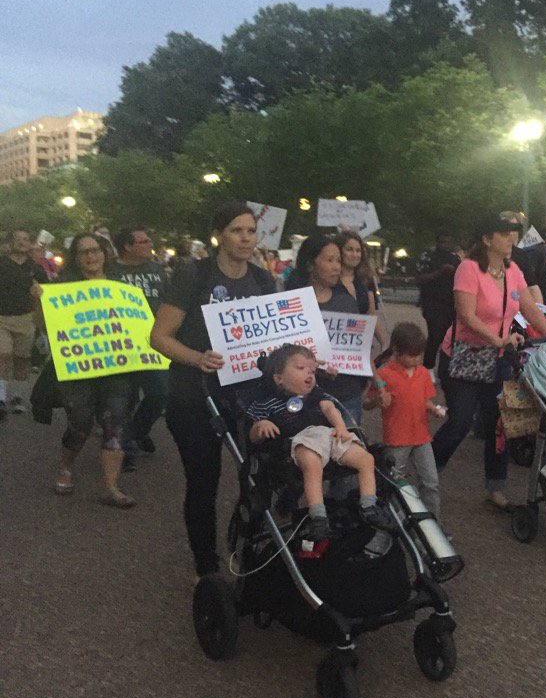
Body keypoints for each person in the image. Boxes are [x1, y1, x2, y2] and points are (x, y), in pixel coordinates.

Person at [151, 201, 278, 578]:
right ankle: (206, 564)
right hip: (195, 396)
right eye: (237, 230)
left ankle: (249, 549)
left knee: (257, 478)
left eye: (251, 231)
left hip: (246, 397)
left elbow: (274, 336)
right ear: (219, 235)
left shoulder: (262, 280)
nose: (245, 238)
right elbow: (159, 337)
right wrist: (197, 358)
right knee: (204, 481)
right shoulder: (195, 274)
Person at [431, 213, 546, 511]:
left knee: (499, 423)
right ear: (487, 239)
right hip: (464, 355)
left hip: (498, 358)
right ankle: (428, 472)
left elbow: (528, 307)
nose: (511, 238)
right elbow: (467, 315)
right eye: (504, 233)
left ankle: (496, 486)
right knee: (461, 421)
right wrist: (498, 339)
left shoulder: (512, 270)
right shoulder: (468, 268)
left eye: (513, 232)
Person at [245, 345, 384, 540]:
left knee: (366, 459)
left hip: (327, 435)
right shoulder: (267, 402)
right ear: (279, 378)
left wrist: (341, 427)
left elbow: (329, 409)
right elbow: (252, 437)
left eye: (312, 370)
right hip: (299, 441)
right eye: (301, 368)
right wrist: (260, 426)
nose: (309, 373)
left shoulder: (316, 394)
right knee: (312, 464)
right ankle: (318, 515)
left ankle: (369, 505)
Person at [52, 233, 135, 508]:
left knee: (114, 422)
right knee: (80, 422)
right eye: (83, 252)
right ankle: (66, 466)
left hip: (116, 367)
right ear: (75, 258)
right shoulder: (63, 288)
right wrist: (38, 301)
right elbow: (45, 325)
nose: (90, 256)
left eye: (95, 250)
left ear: (104, 252)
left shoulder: (120, 286)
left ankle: (111, 486)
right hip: (79, 368)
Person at [286, 233, 379, 424]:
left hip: (347, 395)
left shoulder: (347, 302)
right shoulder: (291, 304)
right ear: (310, 264)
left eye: (338, 260)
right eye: (330, 260)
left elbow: (360, 349)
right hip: (306, 397)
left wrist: (379, 383)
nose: (337, 267)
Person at [364, 322, 445, 519]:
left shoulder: (423, 373)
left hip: (422, 437)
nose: (417, 360)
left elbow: (423, 400)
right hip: (397, 439)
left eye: (419, 355)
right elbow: (367, 403)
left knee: (431, 482)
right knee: (394, 484)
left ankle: (432, 522)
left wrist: (434, 409)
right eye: (412, 355)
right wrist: (377, 399)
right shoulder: (384, 375)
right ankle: (394, 521)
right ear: (397, 351)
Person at [110, 226, 168, 458]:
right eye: (143, 242)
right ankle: (123, 450)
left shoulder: (156, 269)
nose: (149, 244)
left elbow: (167, 299)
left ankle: (137, 431)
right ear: (127, 246)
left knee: (161, 392)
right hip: (121, 342)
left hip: (153, 341)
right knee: (125, 397)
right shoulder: (110, 271)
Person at [0, 228, 45, 420]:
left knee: (22, 358)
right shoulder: (2, 262)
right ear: (10, 242)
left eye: (25, 239)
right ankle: (1, 398)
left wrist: (40, 291)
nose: (21, 242)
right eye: (17, 239)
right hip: (2, 318)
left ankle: (17, 397)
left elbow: (49, 287)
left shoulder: (34, 267)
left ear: (30, 243)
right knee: (3, 354)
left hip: (26, 319)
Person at [415, 234, 460, 371]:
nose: (445, 245)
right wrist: (439, 272)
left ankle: (445, 367)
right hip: (432, 302)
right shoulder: (428, 257)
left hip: (450, 303)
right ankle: (428, 366)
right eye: (443, 242)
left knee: (449, 336)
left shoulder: (455, 258)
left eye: (448, 242)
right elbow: (419, 278)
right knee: (435, 335)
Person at [500, 211, 542, 304]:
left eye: (515, 228)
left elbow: (532, 287)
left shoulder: (521, 255)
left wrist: (539, 309)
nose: (510, 232)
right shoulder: (486, 254)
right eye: (506, 227)